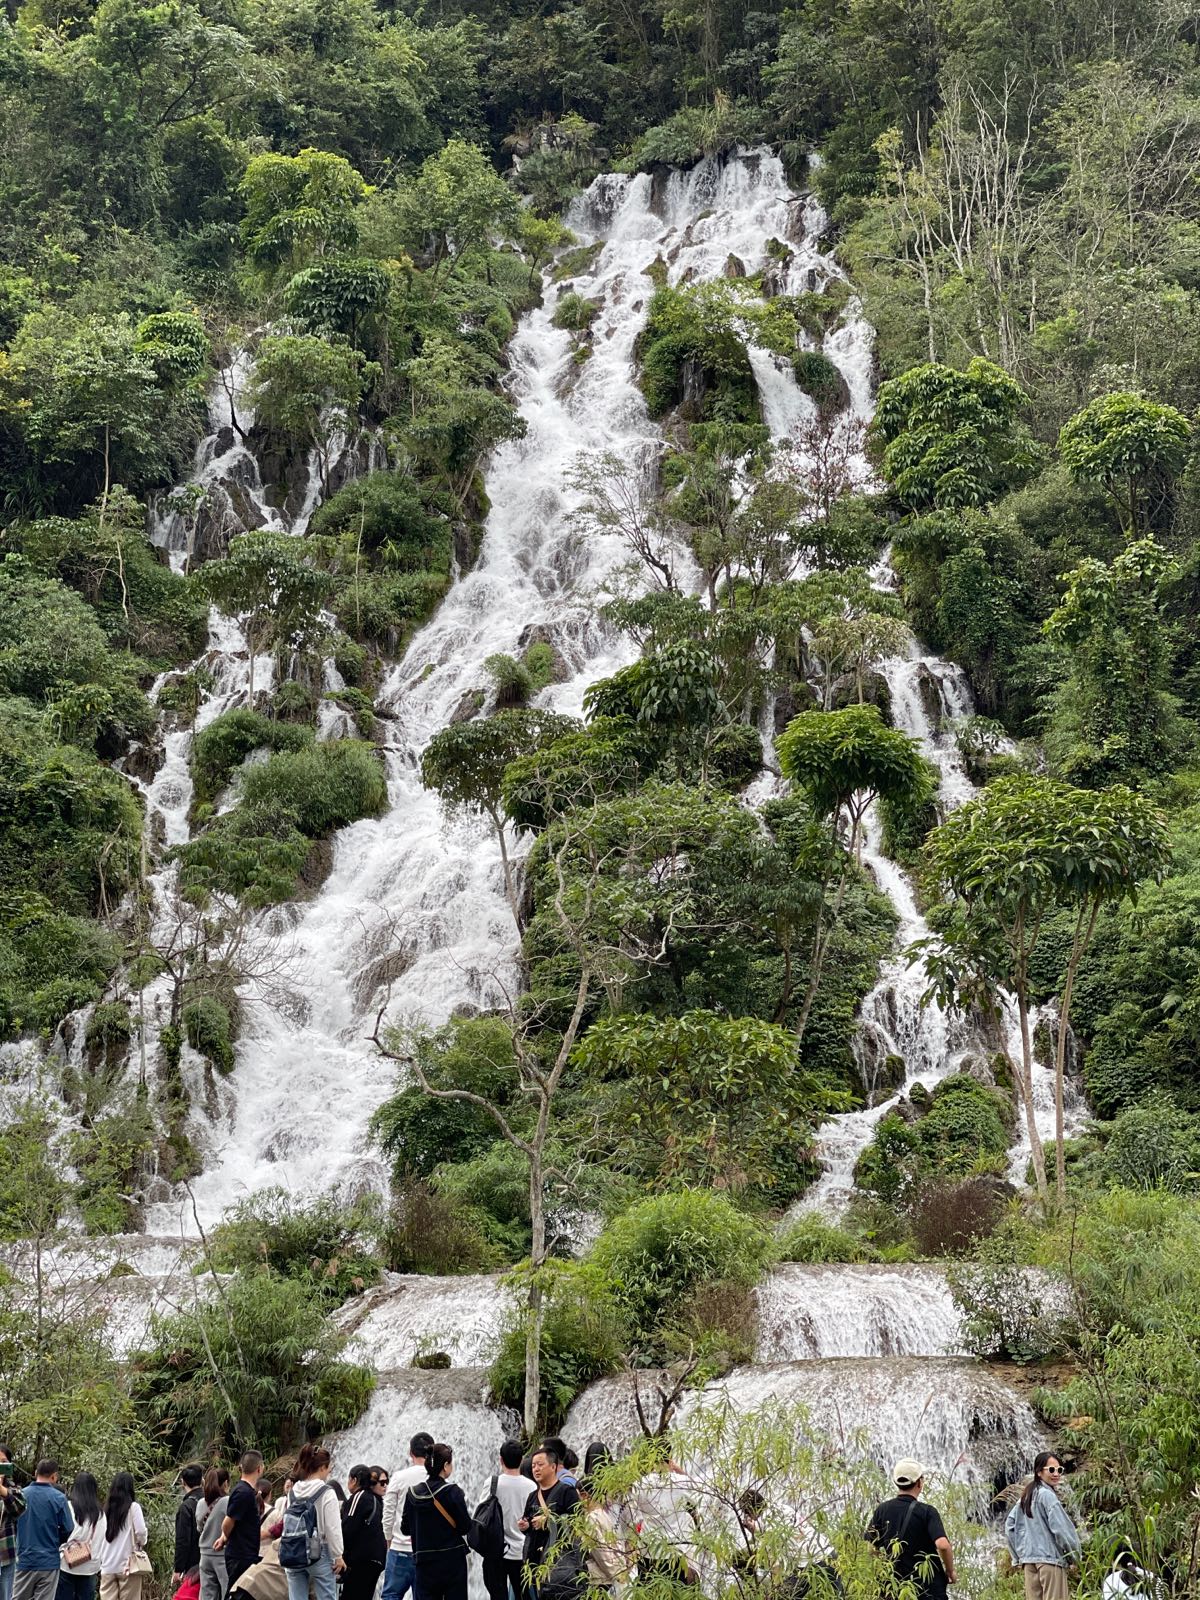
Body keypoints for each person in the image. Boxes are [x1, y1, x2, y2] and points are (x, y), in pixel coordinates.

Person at [866, 1460, 955, 1600]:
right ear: (919, 1483)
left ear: (896, 1482)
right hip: (928, 1590)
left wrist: (885, 1566)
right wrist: (950, 1571)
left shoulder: (882, 1510)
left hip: (895, 1588)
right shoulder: (927, 1512)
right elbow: (942, 1545)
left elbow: (870, 1547)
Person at [1005, 1454, 1081, 1600]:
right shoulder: (1048, 1496)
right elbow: (1062, 1530)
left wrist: (1018, 1556)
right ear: (1039, 1472)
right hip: (1050, 1561)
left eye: (1059, 1470)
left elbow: (1009, 1526)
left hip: (1029, 1563)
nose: (1056, 1474)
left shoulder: (1026, 1496)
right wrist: (1075, 1557)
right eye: (1051, 1469)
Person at [400, 1444, 471, 1600]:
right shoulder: (452, 1491)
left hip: (424, 1561)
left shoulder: (412, 1493)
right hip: (452, 1561)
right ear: (445, 1466)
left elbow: (405, 1528)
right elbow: (466, 1527)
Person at [282, 1443, 344, 1600]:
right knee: (326, 1596)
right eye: (329, 1467)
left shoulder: (293, 1491)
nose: (329, 1471)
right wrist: (338, 1555)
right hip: (318, 1548)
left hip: (294, 1547)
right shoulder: (326, 1492)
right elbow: (332, 1528)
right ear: (322, 1467)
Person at [381, 1433, 434, 1600]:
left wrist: (389, 1539)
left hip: (399, 1549)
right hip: (427, 1551)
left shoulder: (399, 1477)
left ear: (411, 1453)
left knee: (391, 1595)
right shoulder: (437, 1478)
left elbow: (388, 1512)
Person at [481, 1441, 535, 1600]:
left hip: (496, 1550)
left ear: (501, 1460)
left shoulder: (492, 1483)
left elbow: (481, 1513)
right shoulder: (531, 1486)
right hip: (522, 1552)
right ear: (522, 1459)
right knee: (523, 1596)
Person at [14, 1461, 73, 1600]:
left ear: (35, 1473)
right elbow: (68, 1528)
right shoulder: (59, 1498)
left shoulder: (21, 1495)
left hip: (24, 1559)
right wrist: (56, 1541)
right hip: (49, 1561)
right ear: (54, 1477)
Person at [519, 1448, 581, 1581]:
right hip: (535, 1565)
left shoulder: (567, 1492)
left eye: (540, 1465)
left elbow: (578, 1523)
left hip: (560, 1564)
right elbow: (530, 1524)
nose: (536, 1469)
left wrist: (550, 1522)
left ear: (553, 1466)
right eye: (533, 1466)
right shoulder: (532, 1496)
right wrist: (525, 1526)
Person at [216, 1455, 266, 1594]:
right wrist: (225, 1536)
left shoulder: (244, 1491)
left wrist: (224, 1538)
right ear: (259, 1468)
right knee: (236, 1593)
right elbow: (227, 1522)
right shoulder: (243, 1492)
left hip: (243, 1553)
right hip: (240, 1555)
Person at [96, 1473, 148, 1600]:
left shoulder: (105, 1509)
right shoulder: (133, 1507)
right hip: (128, 1566)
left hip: (108, 1565)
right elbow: (140, 1531)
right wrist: (142, 1542)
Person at [341, 1467, 385, 1600]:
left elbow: (347, 1527)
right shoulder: (375, 1500)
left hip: (361, 1560)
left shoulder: (359, 1496)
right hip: (376, 1559)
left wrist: (339, 1553)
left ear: (354, 1480)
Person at [59, 1473, 103, 1600]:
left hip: (67, 1563)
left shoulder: (68, 1506)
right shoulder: (100, 1514)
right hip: (90, 1567)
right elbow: (102, 1541)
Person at [197, 1469, 230, 1600]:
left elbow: (199, 1528)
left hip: (204, 1554)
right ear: (225, 1483)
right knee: (226, 1591)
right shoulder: (228, 1501)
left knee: (207, 1593)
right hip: (222, 1554)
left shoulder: (200, 1503)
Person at [1, 1445, 27, 1600]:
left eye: (4, 1462)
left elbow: (20, 1508)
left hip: (6, 1557)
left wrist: (2, 1490)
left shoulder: (13, 1489)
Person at [174, 1469, 205, 1589]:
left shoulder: (186, 1506)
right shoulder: (211, 1500)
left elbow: (183, 1540)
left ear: (183, 1482)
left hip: (192, 1565)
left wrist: (178, 1568)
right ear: (201, 1480)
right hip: (211, 1558)